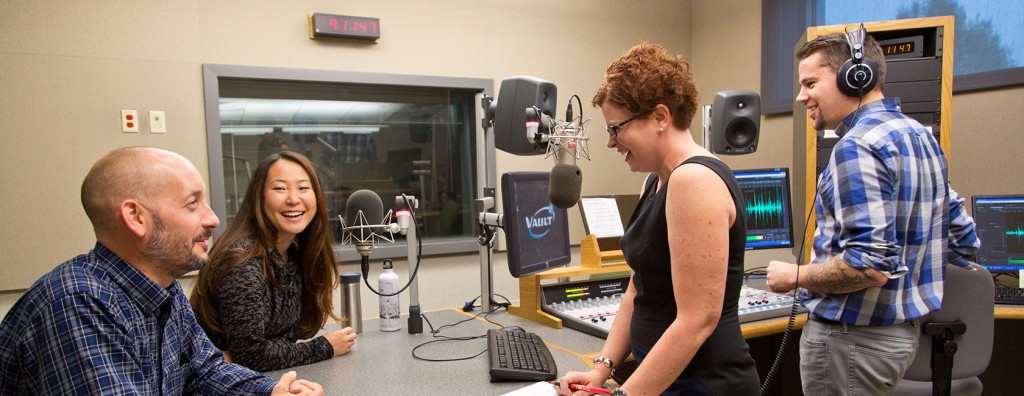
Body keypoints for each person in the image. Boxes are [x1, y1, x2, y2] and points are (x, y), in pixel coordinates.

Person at [0, 147, 323, 395]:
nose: (212, 219)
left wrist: (269, 390)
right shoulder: (78, 303)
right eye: (192, 204)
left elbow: (205, 370)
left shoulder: (164, 292)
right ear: (136, 217)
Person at [765, 27, 979, 395]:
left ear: (854, 77)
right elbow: (965, 241)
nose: (801, 97)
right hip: (898, 340)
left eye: (810, 82)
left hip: (851, 343)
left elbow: (869, 265)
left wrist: (795, 276)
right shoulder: (920, 136)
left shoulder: (857, 147)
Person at [555, 43, 760, 396]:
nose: (610, 142)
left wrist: (626, 395)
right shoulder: (656, 179)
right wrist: (602, 368)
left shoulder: (693, 181)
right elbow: (639, 287)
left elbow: (696, 322)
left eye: (616, 128)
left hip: (704, 385)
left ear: (661, 117)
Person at [190, 151, 357, 372]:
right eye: (280, 188)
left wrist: (272, 351)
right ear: (258, 197)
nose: (293, 199)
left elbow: (283, 341)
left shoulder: (295, 252)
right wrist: (325, 346)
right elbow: (252, 356)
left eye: (303, 188)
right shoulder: (243, 262)